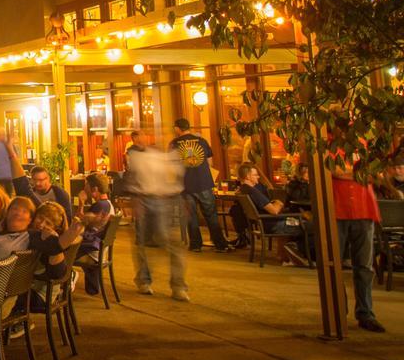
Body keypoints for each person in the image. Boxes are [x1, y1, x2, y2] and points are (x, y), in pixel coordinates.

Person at [125, 128, 189, 300]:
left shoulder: (169, 158)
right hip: (146, 200)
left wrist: (179, 200)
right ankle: (145, 280)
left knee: (172, 243)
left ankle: (177, 285)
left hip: (166, 201)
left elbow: (178, 180)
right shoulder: (136, 156)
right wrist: (137, 201)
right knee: (144, 244)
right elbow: (132, 180)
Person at [331, 158, 386, 332]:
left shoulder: (366, 146)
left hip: (364, 208)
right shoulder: (329, 143)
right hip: (336, 208)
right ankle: (338, 312)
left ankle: (366, 313)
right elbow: (333, 170)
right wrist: (361, 174)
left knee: (365, 266)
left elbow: (378, 175)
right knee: (334, 264)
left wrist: (348, 173)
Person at [169, 117, 229, 252]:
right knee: (211, 214)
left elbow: (171, 166)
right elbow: (210, 162)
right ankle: (220, 244)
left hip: (186, 185)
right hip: (204, 183)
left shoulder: (174, 143)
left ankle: (196, 245)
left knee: (191, 216)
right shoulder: (201, 140)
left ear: (177, 128)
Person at [238, 162, 315, 264]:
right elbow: (274, 210)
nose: (258, 177)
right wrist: (279, 203)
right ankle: (298, 252)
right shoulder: (253, 191)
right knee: (312, 225)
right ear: (248, 176)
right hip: (274, 225)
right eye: (255, 175)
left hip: (267, 223)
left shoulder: (244, 190)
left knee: (305, 221)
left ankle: (294, 252)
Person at [75, 173, 115, 295]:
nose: (84, 189)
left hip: (92, 254)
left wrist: (81, 202)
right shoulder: (107, 204)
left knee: (60, 253)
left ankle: (68, 280)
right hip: (99, 251)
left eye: (86, 186)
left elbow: (78, 224)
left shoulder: (99, 206)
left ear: (95, 189)